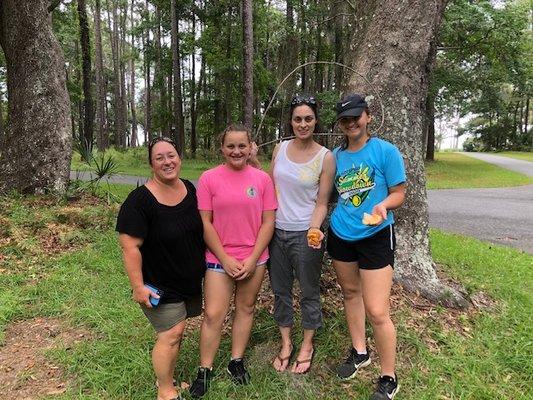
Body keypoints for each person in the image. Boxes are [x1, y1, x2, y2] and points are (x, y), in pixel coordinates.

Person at [189, 124, 277, 398]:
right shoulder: (208, 178)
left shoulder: (262, 180)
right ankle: (205, 369)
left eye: (242, 146)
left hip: (254, 257)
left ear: (251, 147)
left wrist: (252, 259)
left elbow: (268, 221)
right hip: (219, 257)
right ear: (222, 148)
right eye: (231, 146)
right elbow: (205, 222)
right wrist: (225, 258)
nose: (236, 151)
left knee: (246, 308)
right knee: (214, 314)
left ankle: (235, 360)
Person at [327, 94, 406, 400]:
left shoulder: (385, 151)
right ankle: (360, 351)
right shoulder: (336, 156)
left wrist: (384, 205)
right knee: (350, 293)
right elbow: (329, 194)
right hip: (341, 234)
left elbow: (399, 192)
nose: (351, 123)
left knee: (377, 309)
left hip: (375, 235)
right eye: (345, 120)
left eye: (356, 117)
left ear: (368, 116)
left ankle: (389, 376)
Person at [116, 137, 206, 400]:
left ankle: (170, 379)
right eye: (160, 158)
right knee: (171, 334)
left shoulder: (189, 189)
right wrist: (137, 287)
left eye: (171, 155)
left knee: (177, 331)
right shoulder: (139, 201)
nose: (167, 162)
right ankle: (165, 391)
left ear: (180, 158)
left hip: (188, 280)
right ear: (151, 164)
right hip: (158, 283)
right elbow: (129, 247)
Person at [268, 94, 335, 374]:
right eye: (298, 119)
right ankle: (286, 342)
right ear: (291, 122)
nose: (303, 124)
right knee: (280, 291)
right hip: (275, 232)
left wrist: (314, 228)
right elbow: (269, 189)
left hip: (306, 234)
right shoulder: (279, 149)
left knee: (308, 291)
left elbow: (322, 202)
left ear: (315, 120)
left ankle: (307, 343)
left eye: (308, 118)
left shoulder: (325, 157)